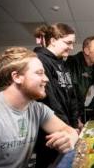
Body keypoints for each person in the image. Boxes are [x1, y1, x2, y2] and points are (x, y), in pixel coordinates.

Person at [0, 47, 78, 168]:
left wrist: (70, 138)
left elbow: (69, 130)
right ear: (17, 77)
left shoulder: (38, 110)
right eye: (39, 73)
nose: (46, 79)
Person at [33, 23, 79, 168]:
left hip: (67, 128)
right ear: (53, 40)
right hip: (51, 130)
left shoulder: (62, 63)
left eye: (73, 43)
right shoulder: (40, 59)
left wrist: (74, 124)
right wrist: (65, 127)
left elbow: (71, 95)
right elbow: (50, 100)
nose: (71, 47)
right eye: (68, 43)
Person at [66, 36, 94, 123]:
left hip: (79, 109)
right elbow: (71, 94)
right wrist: (76, 118)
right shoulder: (71, 63)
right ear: (86, 51)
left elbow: (88, 91)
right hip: (67, 112)